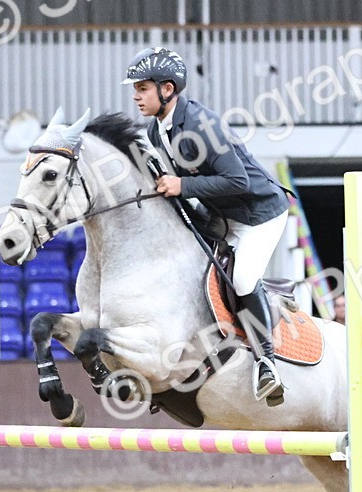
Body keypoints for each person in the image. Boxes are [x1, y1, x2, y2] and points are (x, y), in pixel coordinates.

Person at [123, 47, 289, 406]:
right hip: (222, 215)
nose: (136, 96)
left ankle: (267, 364)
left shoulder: (202, 125)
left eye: (142, 88)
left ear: (167, 89)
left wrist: (181, 186)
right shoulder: (156, 132)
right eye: (135, 89)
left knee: (243, 279)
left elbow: (238, 181)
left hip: (259, 215)